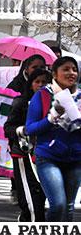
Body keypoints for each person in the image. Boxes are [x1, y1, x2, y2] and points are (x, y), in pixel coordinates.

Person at [26, 57, 81, 222]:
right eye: (66, 69)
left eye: (74, 69)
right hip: (49, 158)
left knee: (69, 207)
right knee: (58, 205)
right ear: (55, 74)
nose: (71, 73)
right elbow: (30, 128)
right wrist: (51, 118)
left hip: (76, 159)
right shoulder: (43, 95)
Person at [4, 68, 51, 222]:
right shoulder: (21, 102)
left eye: (44, 82)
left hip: (46, 155)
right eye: (37, 82)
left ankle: (26, 219)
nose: (41, 85)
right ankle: (32, 221)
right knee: (30, 196)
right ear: (30, 84)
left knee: (41, 194)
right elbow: (8, 127)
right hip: (23, 155)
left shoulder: (55, 104)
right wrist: (22, 130)